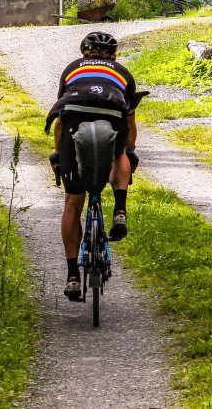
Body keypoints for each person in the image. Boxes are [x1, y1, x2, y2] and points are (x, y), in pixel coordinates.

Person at [47, 31, 139, 301]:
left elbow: (61, 120)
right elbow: (130, 126)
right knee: (122, 150)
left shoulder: (71, 69)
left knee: (73, 203)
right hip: (112, 116)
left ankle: (73, 275)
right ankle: (120, 209)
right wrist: (130, 153)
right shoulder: (123, 72)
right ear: (113, 55)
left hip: (75, 120)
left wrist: (58, 156)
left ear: (84, 51)